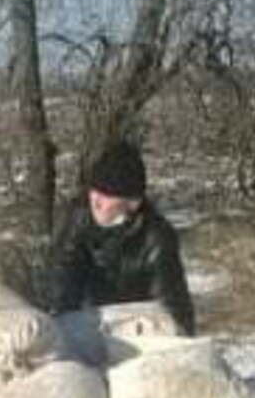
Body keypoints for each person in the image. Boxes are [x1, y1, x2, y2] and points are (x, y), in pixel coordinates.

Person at [43, 141, 197, 335]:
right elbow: (62, 282)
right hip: (89, 322)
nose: (96, 200)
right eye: (94, 191)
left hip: (137, 328)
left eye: (107, 195)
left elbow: (172, 305)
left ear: (132, 203)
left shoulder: (156, 237)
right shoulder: (78, 219)